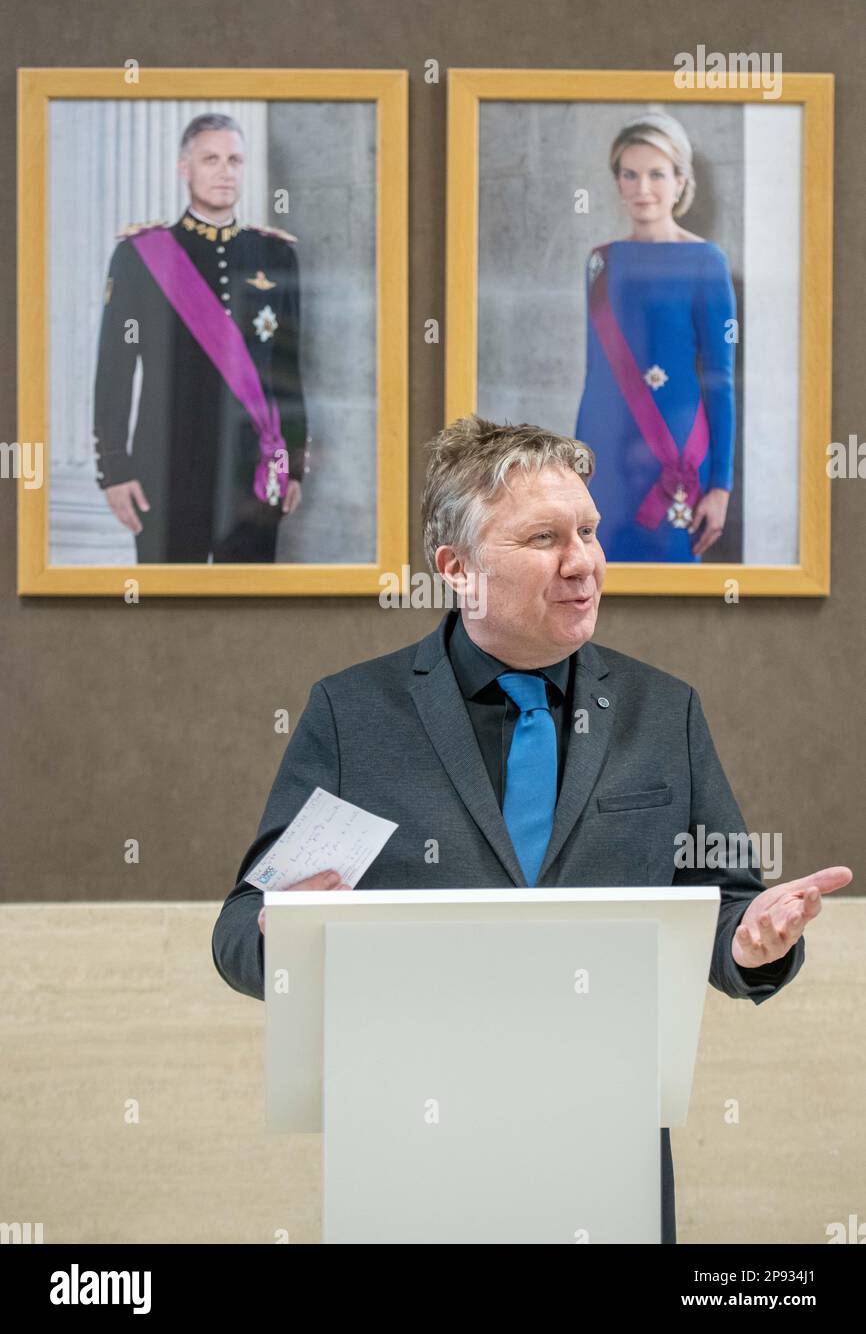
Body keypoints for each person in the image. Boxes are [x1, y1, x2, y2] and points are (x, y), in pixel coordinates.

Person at [212, 416, 851, 1243]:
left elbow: (727, 904)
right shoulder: (355, 715)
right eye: (545, 537)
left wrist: (752, 942)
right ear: (458, 570)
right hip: (409, 1152)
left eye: (587, 530)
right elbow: (239, 932)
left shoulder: (664, 713)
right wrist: (285, 929)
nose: (582, 561)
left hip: (608, 1152)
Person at [92, 112, 310, 563]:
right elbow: (114, 369)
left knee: (249, 614)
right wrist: (115, 469)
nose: (225, 170)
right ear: (183, 168)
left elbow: (287, 371)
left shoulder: (275, 254)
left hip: (254, 469)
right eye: (210, 158)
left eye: (234, 159)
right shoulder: (140, 256)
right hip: (166, 469)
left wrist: (291, 467)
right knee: (166, 617)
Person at [575, 112, 736, 563]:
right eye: (630, 174)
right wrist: (575, 470)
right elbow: (596, 379)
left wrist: (721, 486)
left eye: (656, 174)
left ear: (681, 181)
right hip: (606, 452)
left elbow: (720, 380)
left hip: (676, 450)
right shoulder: (599, 263)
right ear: (618, 181)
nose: (642, 187)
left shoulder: (707, 260)